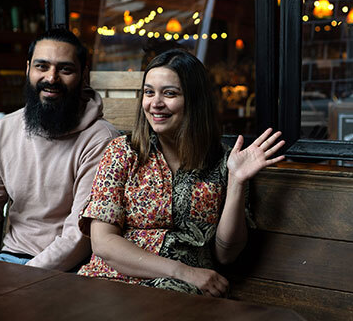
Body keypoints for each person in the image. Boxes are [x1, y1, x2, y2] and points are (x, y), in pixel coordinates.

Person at [76, 49, 284, 297]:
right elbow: (103, 243)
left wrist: (237, 181)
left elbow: (226, 254)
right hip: (111, 282)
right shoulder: (123, 152)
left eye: (170, 93)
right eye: (149, 92)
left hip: (181, 293)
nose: (155, 103)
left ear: (195, 100)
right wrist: (182, 271)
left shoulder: (224, 163)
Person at [0, 28, 120, 270]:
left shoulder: (102, 139)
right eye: (42, 66)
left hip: (72, 269)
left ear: (83, 75)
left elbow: (79, 238)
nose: (51, 78)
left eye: (65, 69)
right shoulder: (2, 130)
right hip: (10, 260)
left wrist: (20, 280)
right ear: (28, 69)